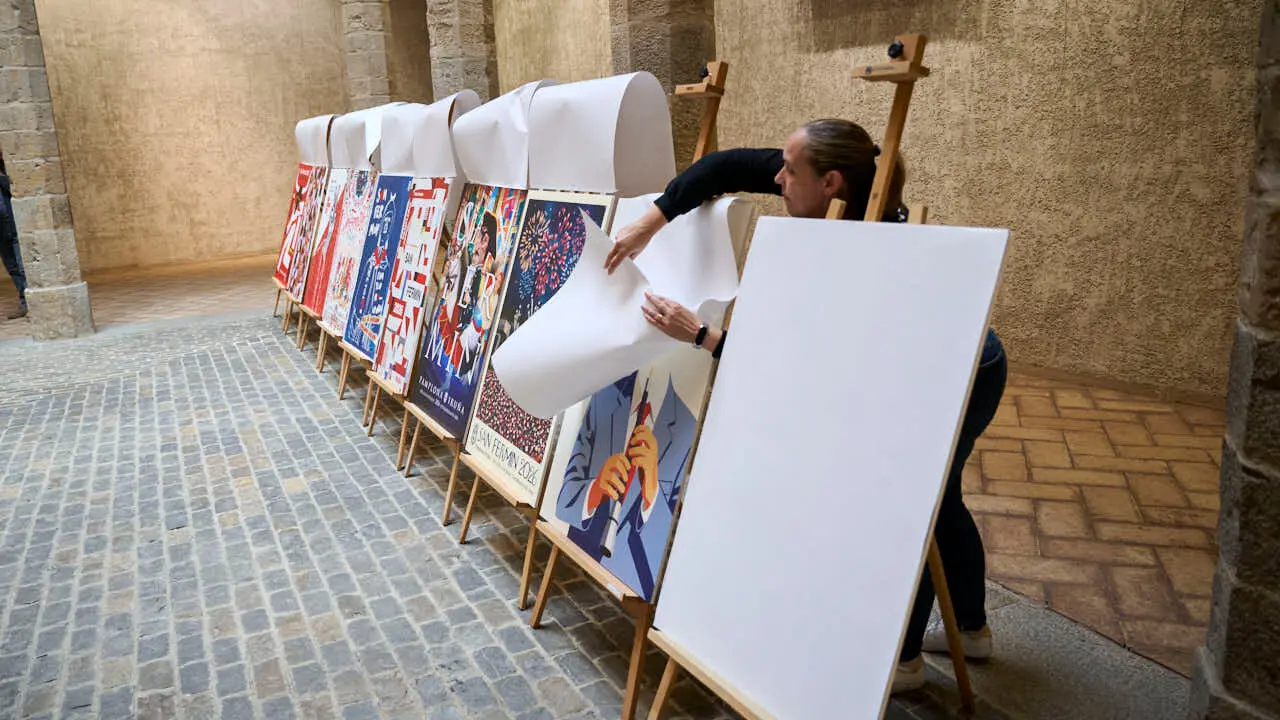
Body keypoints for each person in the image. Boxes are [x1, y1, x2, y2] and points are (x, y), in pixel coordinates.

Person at [610, 118, 1008, 695]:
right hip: (938, 353)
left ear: (831, 183)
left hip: (973, 368)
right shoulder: (826, 194)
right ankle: (970, 627)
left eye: (789, 171)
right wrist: (653, 220)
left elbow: (810, 374)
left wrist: (701, 335)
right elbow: (721, 168)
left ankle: (905, 655)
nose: (776, 177)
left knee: (919, 494)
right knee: (941, 497)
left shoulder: (874, 248)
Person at [0, 149, 28, 320]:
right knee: (12, 267)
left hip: (14, 225)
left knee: (22, 265)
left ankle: (34, 304)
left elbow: (15, 190)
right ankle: (25, 303)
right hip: (1, 231)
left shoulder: (7, 168)